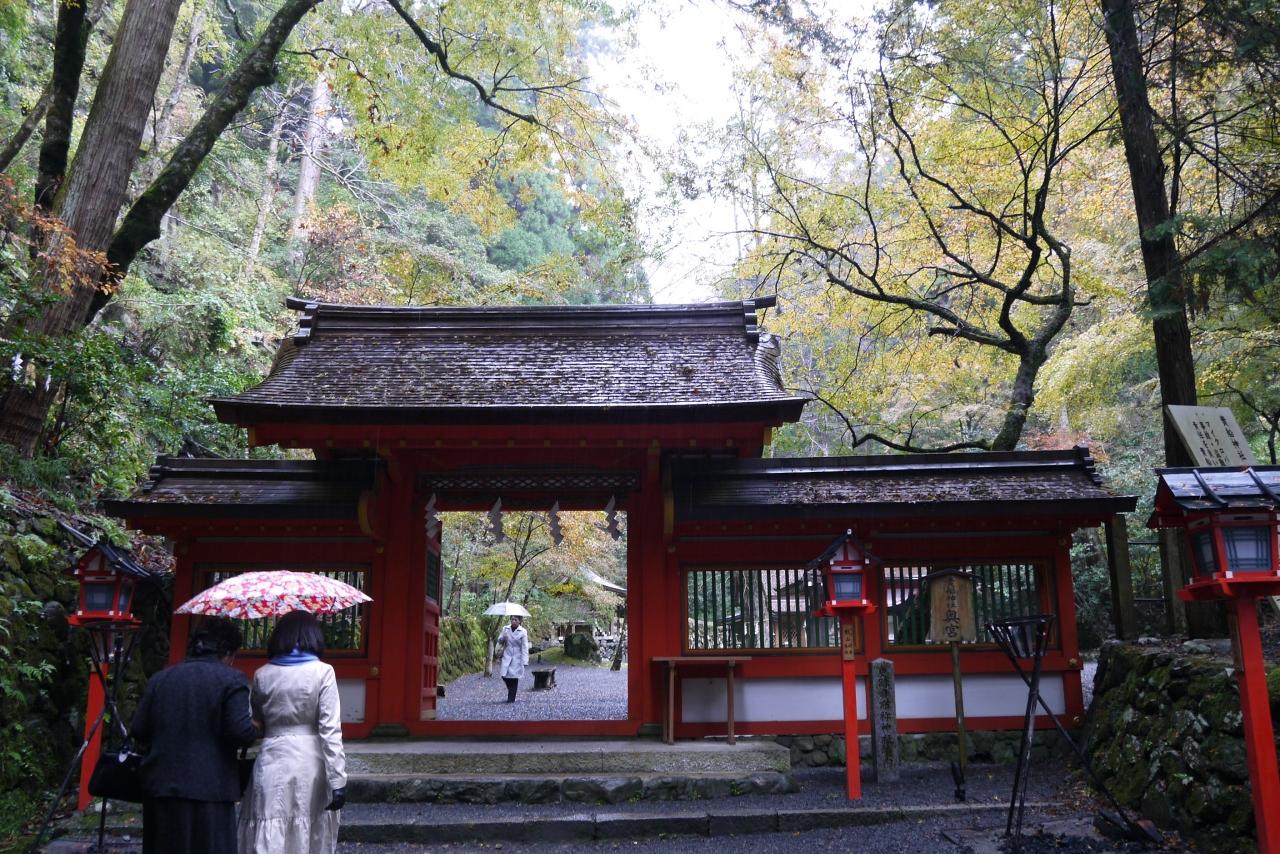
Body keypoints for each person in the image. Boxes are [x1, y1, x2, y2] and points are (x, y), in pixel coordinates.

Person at [129, 616, 259, 854]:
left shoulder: (161, 679)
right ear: (228, 653)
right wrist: (257, 727)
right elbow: (240, 732)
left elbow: (139, 729)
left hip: (161, 785)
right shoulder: (231, 679)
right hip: (210, 787)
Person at [238, 610, 347, 854]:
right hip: (310, 762)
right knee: (307, 828)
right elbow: (330, 730)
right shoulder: (323, 672)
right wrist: (338, 779)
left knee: (269, 822)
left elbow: (257, 722)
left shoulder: (262, 674)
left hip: (271, 757)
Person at [497, 614, 529, 703]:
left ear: (519, 621)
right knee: (504, 675)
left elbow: (524, 647)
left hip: (517, 657)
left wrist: (525, 661)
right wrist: (503, 637)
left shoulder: (523, 631)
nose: (513, 621)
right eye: (512, 619)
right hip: (507, 654)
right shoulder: (505, 629)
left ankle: (511, 698)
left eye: (515, 620)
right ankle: (511, 691)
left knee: (514, 677)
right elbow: (499, 640)